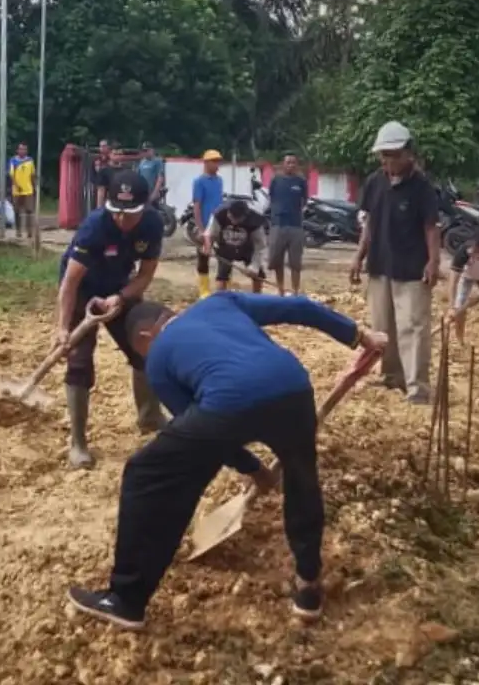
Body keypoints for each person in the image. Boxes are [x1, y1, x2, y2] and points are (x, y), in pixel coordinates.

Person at [65, 293, 389, 631]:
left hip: (226, 404)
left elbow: (200, 429)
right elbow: (299, 307)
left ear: (145, 337)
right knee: (302, 480)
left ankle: (126, 599)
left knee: (146, 474)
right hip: (294, 389)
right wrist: (358, 336)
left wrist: (250, 468)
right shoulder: (219, 302)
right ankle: (308, 587)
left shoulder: (158, 359)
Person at [58, 169, 167, 469]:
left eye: (129, 213)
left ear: (144, 207)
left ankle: (149, 415)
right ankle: (78, 443)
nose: (121, 219)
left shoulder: (153, 225)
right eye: (116, 212)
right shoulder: (94, 227)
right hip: (83, 292)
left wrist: (120, 298)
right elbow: (69, 283)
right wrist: (62, 328)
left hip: (119, 288)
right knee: (79, 363)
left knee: (145, 345)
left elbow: (145, 275)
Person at [349, 121, 441, 405]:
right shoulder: (375, 182)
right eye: (383, 155)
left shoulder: (422, 186)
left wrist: (434, 261)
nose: (387, 161)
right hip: (380, 264)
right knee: (382, 326)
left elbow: (431, 227)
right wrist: (358, 256)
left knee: (412, 326)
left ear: (408, 154)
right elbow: (369, 223)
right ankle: (392, 377)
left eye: (392, 155)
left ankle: (418, 388)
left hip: (412, 268)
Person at [207, 198, 268, 293]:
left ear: (244, 217)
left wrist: (254, 266)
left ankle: (257, 298)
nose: (233, 221)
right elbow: (212, 234)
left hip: (248, 248)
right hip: (225, 246)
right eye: (231, 217)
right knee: (222, 275)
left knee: (258, 276)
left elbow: (260, 245)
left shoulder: (255, 220)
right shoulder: (219, 214)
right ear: (228, 213)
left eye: (236, 219)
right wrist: (208, 247)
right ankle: (220, 299)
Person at [268, 154, 308, 296]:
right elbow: (271, 197)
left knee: (295, 262)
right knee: (277, 259)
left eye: (293, 162)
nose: (291, 165)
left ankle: (295, 291)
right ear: (283, 164)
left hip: (296, 225)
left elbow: (305, 200)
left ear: (297, 165)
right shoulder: (276, 180)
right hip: (278, 224)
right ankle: (280, 290)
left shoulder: (301, 181)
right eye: (288, 162)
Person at [192, 149, 226, 299]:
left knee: (224, 256)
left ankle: (223, 288)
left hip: (219, 224)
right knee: (203, 256)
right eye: (214, 161)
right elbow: (197, 205)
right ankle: (204, 290)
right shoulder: (199, 181)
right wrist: (200, 228)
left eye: (218, 161)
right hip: (205, 224)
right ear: (206, 163)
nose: (217, 164)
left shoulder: (219, 181)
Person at [8, 142, 36, 239]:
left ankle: (29, 231)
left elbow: (32, 175)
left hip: (28, 190)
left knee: (29, 211)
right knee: (17, 211)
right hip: (17, 191)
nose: (22, 151)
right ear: (17, 150)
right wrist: (16, 185)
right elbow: (11, 175)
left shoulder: (30, 161)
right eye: (21, 149)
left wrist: (34, 187)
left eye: (24, 149)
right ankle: (18, 230)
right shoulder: (13, 160)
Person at [93, 140, 117, 210]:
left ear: (108, 147)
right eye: (100, 146)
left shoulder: (113, 158)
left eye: (104, 146)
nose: (102, 148)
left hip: (111, 186)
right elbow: (94, 172)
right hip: (100, 185)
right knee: (99, 205)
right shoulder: (97, 160)